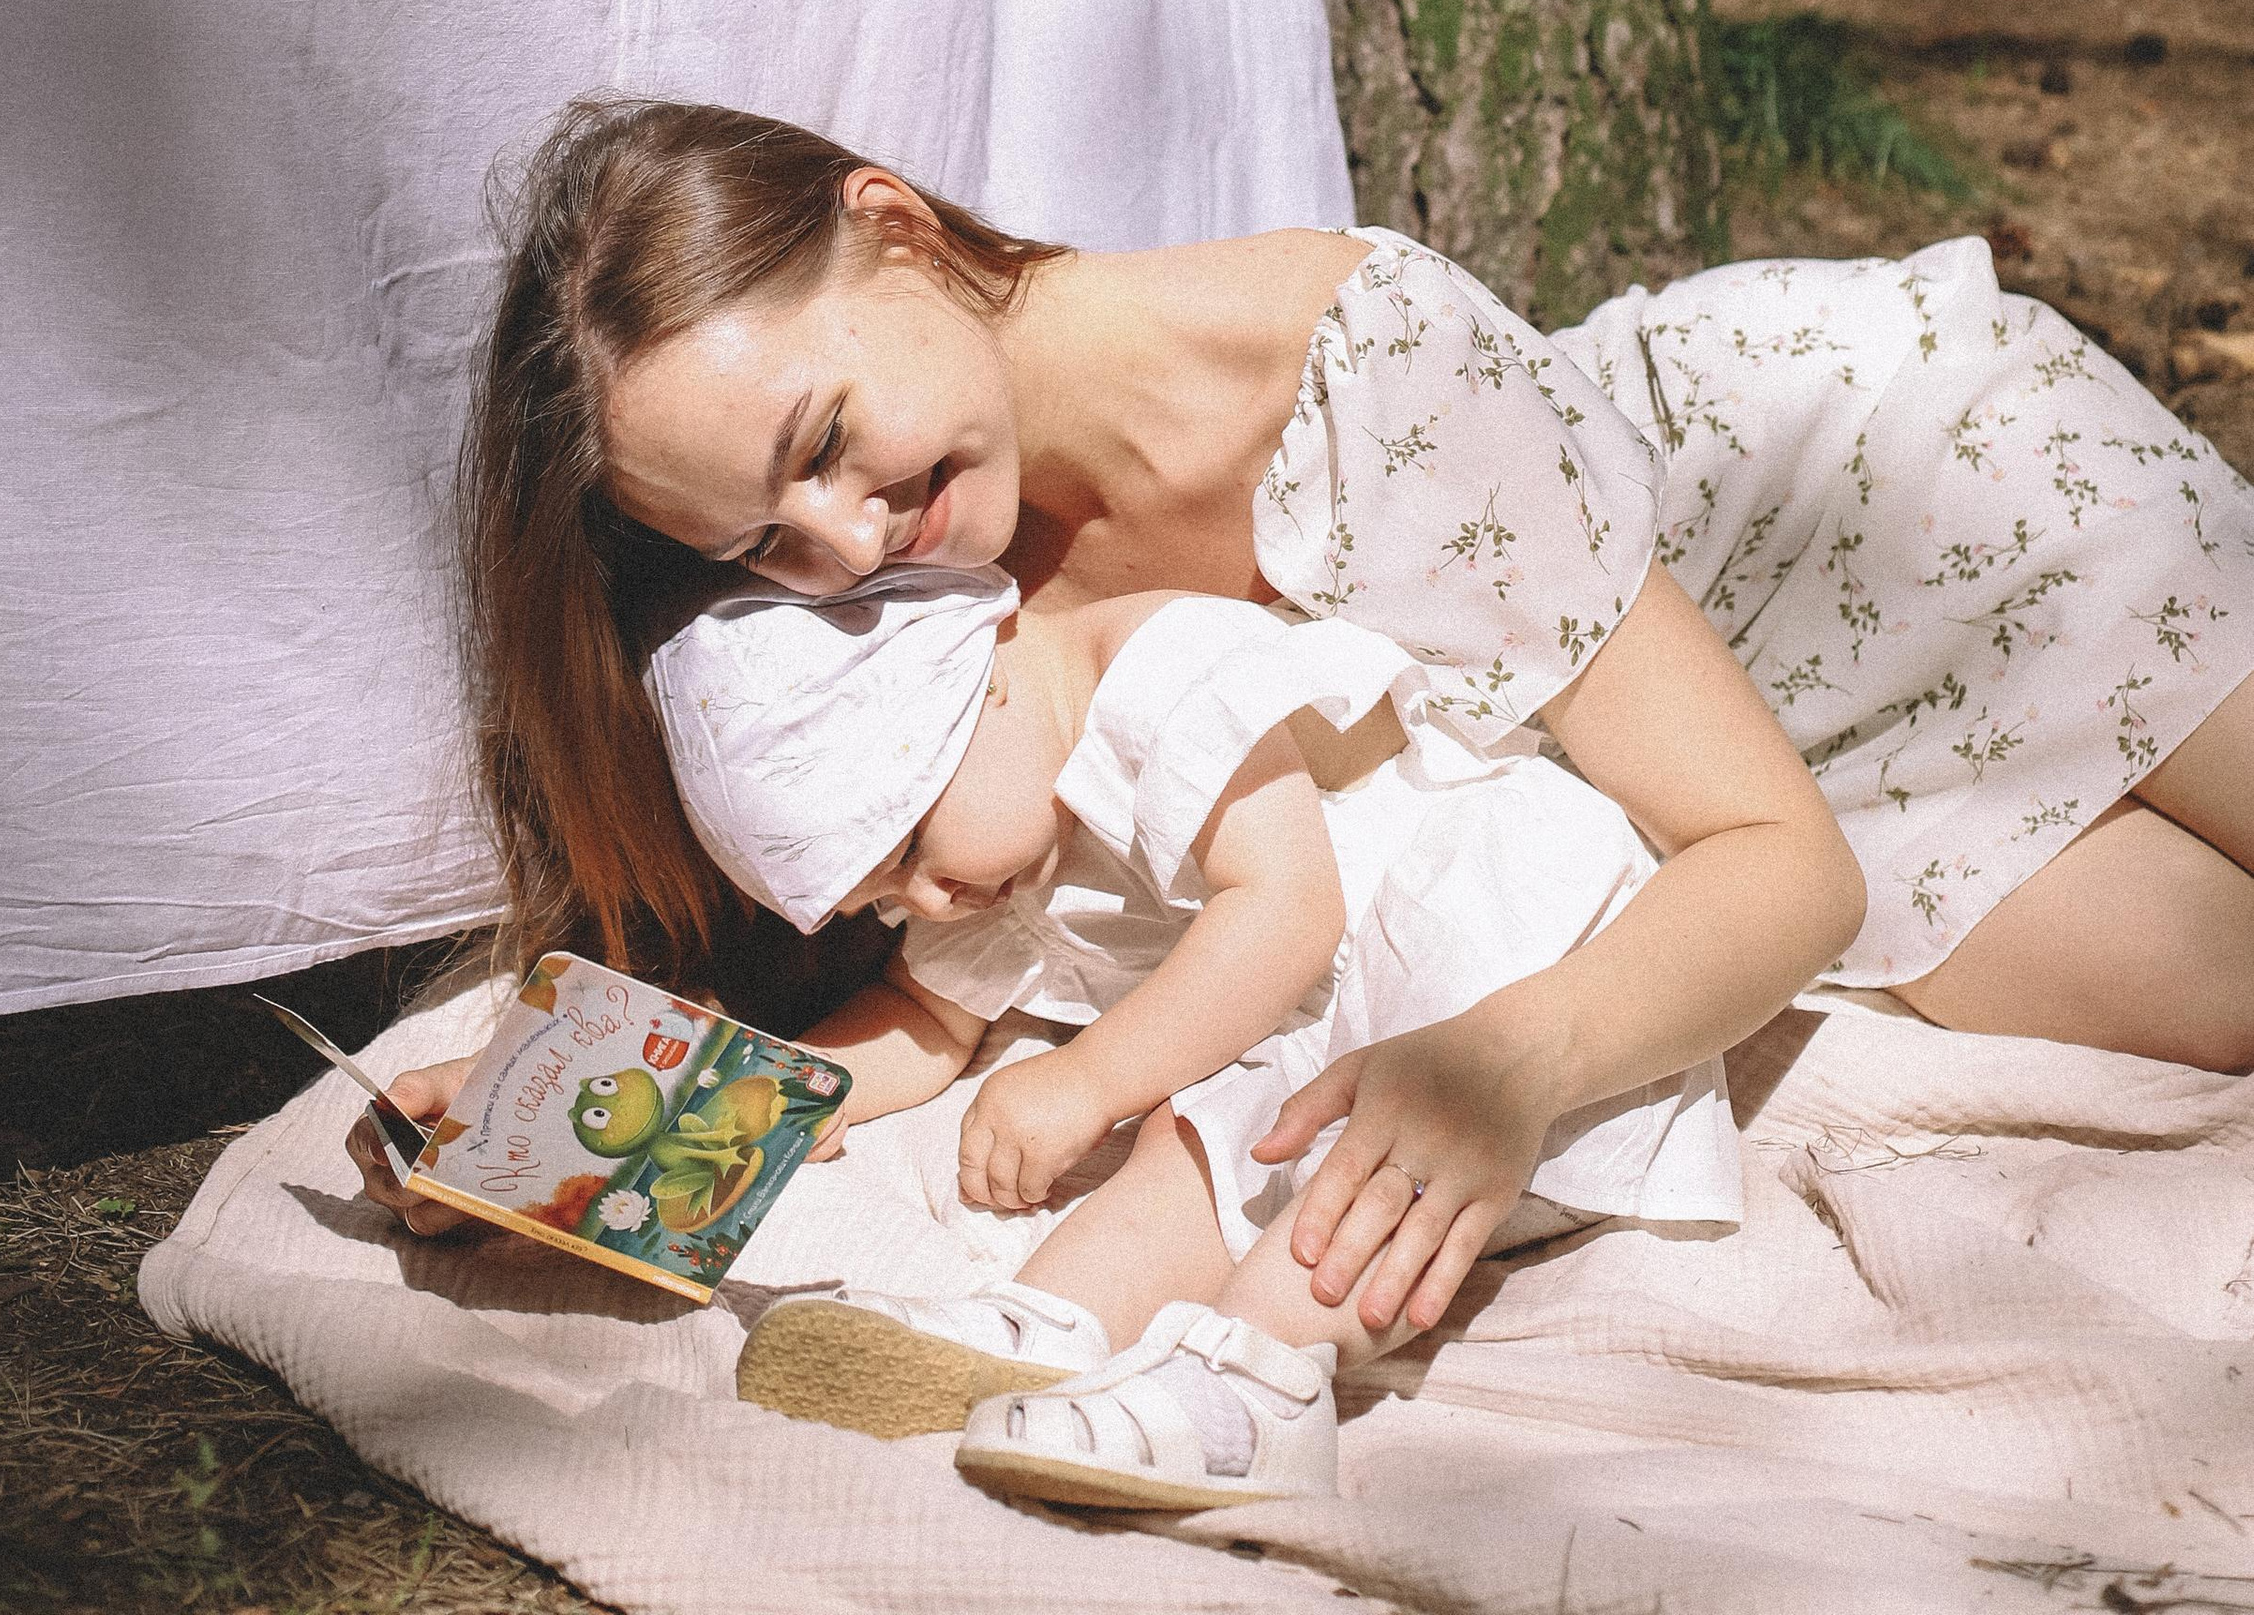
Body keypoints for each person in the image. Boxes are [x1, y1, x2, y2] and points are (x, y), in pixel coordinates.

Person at [351, 99, 2254, 1347]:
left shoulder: (1347, 365)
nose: (846, 536)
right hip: (1657, 778)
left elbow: (1782, 869)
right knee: (2218, 994)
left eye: (826, 444)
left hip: (1888, 516)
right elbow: (964, 976)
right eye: (768, 540)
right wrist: (578, 1124)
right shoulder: (921, 583)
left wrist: (1516, 1060)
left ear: (900, 229)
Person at [637, 555, 1740, 1512]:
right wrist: (769, 1094)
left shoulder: (1158, 668)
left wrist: (1086, 1078)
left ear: (984, 685)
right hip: (1315, 1028)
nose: (922, 902)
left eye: (909, 843)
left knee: (1347, 1144)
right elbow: (927, 1014)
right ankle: (1044, 1329)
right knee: (1201, 1135)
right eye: (878, 898)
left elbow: (1285, 910)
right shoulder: (995, 858)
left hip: (1505, 961)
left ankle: (1260, 1383)